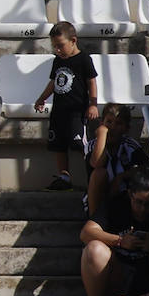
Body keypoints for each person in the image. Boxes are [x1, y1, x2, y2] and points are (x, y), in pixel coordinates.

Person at [80, 165, 149, 296]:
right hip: (117, 271)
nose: (143, 209)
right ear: (130, 194)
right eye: (138, 202)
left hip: (145, 278)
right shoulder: (116, 205)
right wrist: (120, 241)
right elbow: (86, 233)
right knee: (94, 249)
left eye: (148, 204)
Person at [33, 22, 99, 193]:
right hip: (59, 111)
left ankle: (92, 177)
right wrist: (42, 98)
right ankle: (64, 177)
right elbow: (54, 82)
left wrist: (93, 105)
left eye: (61, 46)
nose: (58, 50)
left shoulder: (84, 59)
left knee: (80, 144)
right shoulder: (57, 61)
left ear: (73, 41)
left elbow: (91, 81)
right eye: (55, 47)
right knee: (58, 145)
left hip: (77, 111)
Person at [85, 104, 147, 217]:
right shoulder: (92, 145)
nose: (112, 127)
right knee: (99, 174)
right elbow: (97, 163)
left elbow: (146, 168)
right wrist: (102, 134)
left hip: (124, 197)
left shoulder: (130, 146)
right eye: (109, 122)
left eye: (118, 123)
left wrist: (122, 176)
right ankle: (95, 221)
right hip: (98, 198)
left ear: (126, 128)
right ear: (101, 123)